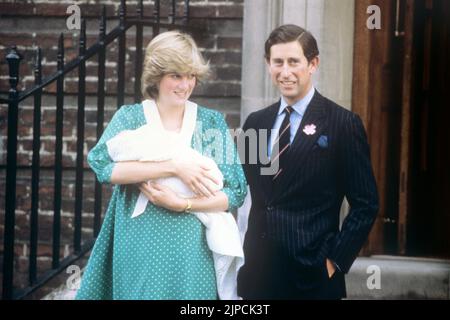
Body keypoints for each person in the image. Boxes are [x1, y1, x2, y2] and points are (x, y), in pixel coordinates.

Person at [76, 30, 247, 300]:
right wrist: (174, 167)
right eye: (176, 75)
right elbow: (102, 167)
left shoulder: (210, 122)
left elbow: (235, 192)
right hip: (139, 242)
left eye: (191, 75)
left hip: (193, 249)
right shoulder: (131, 118)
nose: (185, 84)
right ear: (157, 76)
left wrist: (183, 204)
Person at [237, 24, 379, 299]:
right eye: (278, 62)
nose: (285, 71)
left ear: (313, 64)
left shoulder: (342, 124)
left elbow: (366, 204)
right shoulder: (255, 123)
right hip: (259, 276)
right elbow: (245, 193)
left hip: (312, 278)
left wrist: (334, 260)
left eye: (294, 62)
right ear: (268, 64)